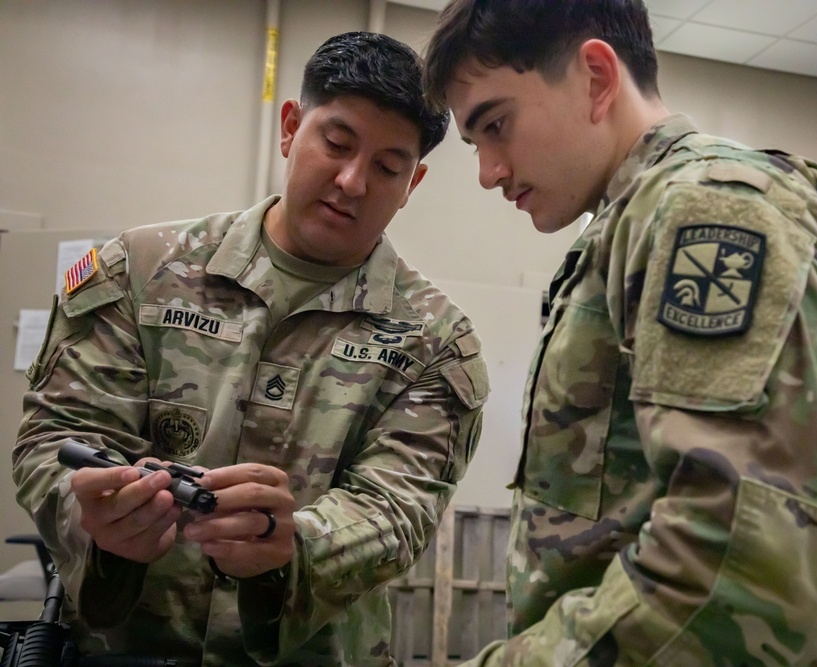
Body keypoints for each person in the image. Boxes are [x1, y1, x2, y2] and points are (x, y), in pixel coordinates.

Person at [423, 1, 817, 664]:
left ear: (595, 77)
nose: (488, 171)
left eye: (497, 125)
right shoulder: (628, 225)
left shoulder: (707, 207)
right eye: (477, 144)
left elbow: (751, 559)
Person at [13, 31, 489, 666]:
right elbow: (55, 437)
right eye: (337, 144)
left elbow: (397, 510)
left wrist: (297, 544)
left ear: (414, 182)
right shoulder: (139, 270)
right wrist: (93, 516)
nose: (351, 182)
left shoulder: (435, 343)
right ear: (291, 128)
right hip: (122, 650)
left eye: (386, 167)